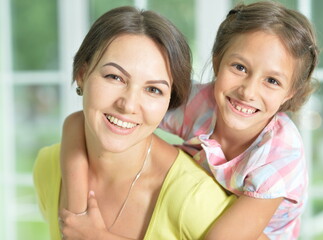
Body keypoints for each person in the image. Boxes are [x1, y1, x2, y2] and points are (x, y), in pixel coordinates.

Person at [59, 1, 320, 239]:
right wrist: (78, 216)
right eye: (239, 67)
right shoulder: (198, 104)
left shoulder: (280, 156)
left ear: (290, 93)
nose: (248, 91)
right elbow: (79, 122)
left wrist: (98, 236)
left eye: (272, 81)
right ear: (218, 61)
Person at [33, 6, 236, 240]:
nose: (128, 105)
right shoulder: (48, 167)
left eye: (153, 89)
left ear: (170, 101)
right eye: (114, 77)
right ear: (82, 74)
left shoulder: (192, 197)